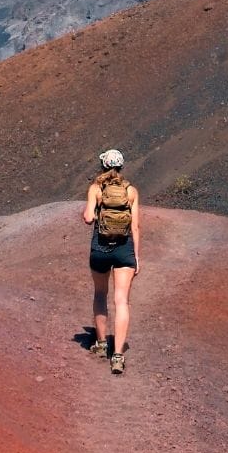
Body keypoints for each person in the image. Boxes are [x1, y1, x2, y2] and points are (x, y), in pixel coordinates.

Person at [83, 148, 140, 374]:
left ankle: (101, 344)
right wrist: (137, 255)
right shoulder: (131, 191)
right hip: (124, 249)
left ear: (103, 166)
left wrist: (93, 211)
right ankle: (117, 356)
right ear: (121, 167)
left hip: (100, 248)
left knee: (100, 294)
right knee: (122, 301)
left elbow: (88, 218)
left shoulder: (96, 189)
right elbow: (135, 226)